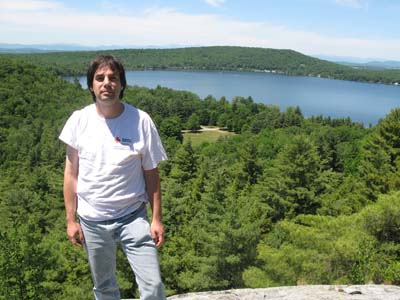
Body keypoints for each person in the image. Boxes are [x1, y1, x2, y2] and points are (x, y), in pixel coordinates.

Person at [59, 55, 167, 300]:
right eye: (100, 78)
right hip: (92, 220)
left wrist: (157, 218)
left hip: (133, 216)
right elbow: (70, 174)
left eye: (113, 78)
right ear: (91, 85)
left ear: (121, 84)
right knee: (104, 287)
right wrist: (70, 220)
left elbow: (152, 174)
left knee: (153, 286)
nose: (107, 83)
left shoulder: (141, 121)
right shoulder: (79, 120)